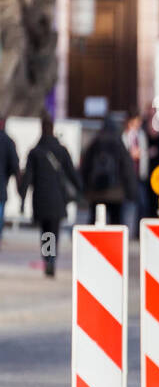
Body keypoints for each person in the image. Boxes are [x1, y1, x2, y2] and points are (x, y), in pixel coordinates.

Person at [18, 113, 81, 276]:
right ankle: (51, 259)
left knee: (45, 233)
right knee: (54, 231)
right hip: (57, 199)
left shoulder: (34, 152)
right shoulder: (61, 150)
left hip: (40, 199)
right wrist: (82, 189)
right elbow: (72, 173)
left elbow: (27, 178)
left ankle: (48, 259)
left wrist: (22, 199)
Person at [80, 115, 138, 225]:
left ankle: (93, 242)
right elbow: (127, 168)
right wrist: (131, 192)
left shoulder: (95, 143)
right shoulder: (119, 144)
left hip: (96, 192)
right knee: (116, 223)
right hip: (116, 193)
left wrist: (85, 189)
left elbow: (85, 167)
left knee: (95, 221)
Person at [0, 117, 21, 246]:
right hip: (1, 187)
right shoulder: (8, 142)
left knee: (48, 233)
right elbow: (15, 166)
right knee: (49, 233)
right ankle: (49, 259)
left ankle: (49, 258)